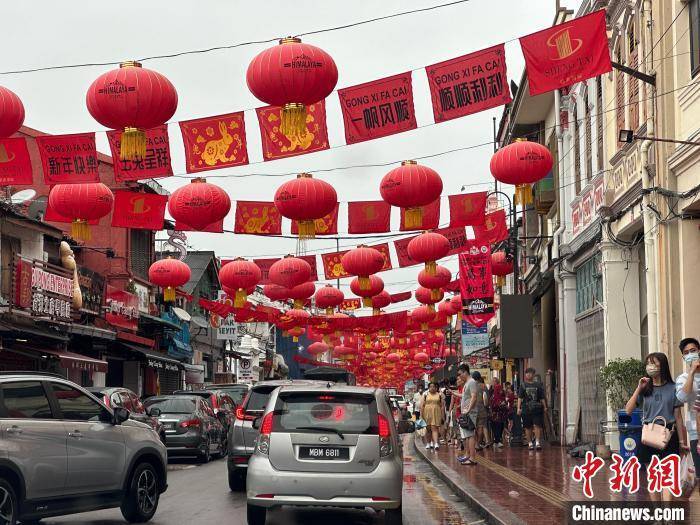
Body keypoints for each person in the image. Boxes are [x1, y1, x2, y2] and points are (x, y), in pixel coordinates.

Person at [625, 352, 687, 503]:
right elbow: (628, 410)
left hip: (669, 435)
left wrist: (681, 442)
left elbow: (678, 417)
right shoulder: (645, 388)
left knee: (668, 476)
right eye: (648, 363)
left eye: (654, 363)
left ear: (663, 366)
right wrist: (639, 388)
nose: (650, 367)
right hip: (649, 435)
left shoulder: (673, 388)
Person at [675, 337, 700, 496]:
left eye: (693, 351)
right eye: (686, 353)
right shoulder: (683, 378)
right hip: (696, 434)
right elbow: (682, 398)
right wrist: (691, 372)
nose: (690, 354)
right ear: (683, 357)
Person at [517, 367, 547, 450]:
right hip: (526, 409)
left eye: (530, 373)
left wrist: (545, 407)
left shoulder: (538, 385)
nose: (528, 374)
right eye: (527, 373)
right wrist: (518, 408)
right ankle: (530, 443)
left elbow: (542, 397)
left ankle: (537, 442)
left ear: (533, 374)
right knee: (527, 427)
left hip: (537, 408)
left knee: (537, 425)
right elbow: (520, 397)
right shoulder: (523, 385)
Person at [457, 364, 481, 466]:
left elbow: (474, 397)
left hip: (470, 413)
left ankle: (472, 458)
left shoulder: (471, 382)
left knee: (470, 435)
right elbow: (466, 397)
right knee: (467, 435)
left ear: (465, 372)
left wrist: (468, 410)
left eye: (460, 374)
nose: (459, 376)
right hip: (466, 412)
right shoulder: (467, 383)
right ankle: (468, 455)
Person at [422, 382, 444, 450]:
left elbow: (442, 406)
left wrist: (443, 416)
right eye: (430, 386)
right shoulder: (425, 394)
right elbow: (422, 406)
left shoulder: (439, 395)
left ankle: (436, 444)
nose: (432, 388)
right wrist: (421, 415)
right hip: (427, 413)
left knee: (434, 428)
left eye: (433, 386)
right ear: (428, 388)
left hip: (436, 413)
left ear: (436, 387)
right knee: (428, 429)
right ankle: (428, 443)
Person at [489, 377, 508, 448]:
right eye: (492, 381)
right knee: (496, 425)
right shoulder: (491, 390)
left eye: (494, 381)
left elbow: (501, 398)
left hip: (498, 411)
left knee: (498, 425)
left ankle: (498, 440)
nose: (492, 383)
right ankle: (497, 440)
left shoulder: (498, 388)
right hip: (494, 411)